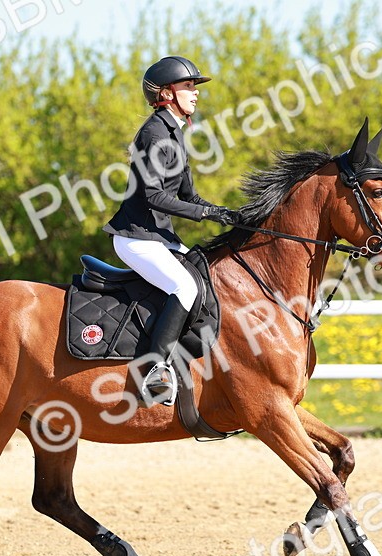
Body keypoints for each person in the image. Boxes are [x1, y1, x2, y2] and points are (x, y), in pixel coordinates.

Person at [103, 55, 242, 408]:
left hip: (158, 237)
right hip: (136, 238)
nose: (195, 93)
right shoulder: (153, 133)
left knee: (205, 279)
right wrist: (204, 212)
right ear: (166, 93)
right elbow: (153, 195)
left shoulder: (174, 133)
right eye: (188, 86)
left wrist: (225, 213)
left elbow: (187, 195)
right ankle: (154, 370)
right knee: (184, 286)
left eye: (194, 86)